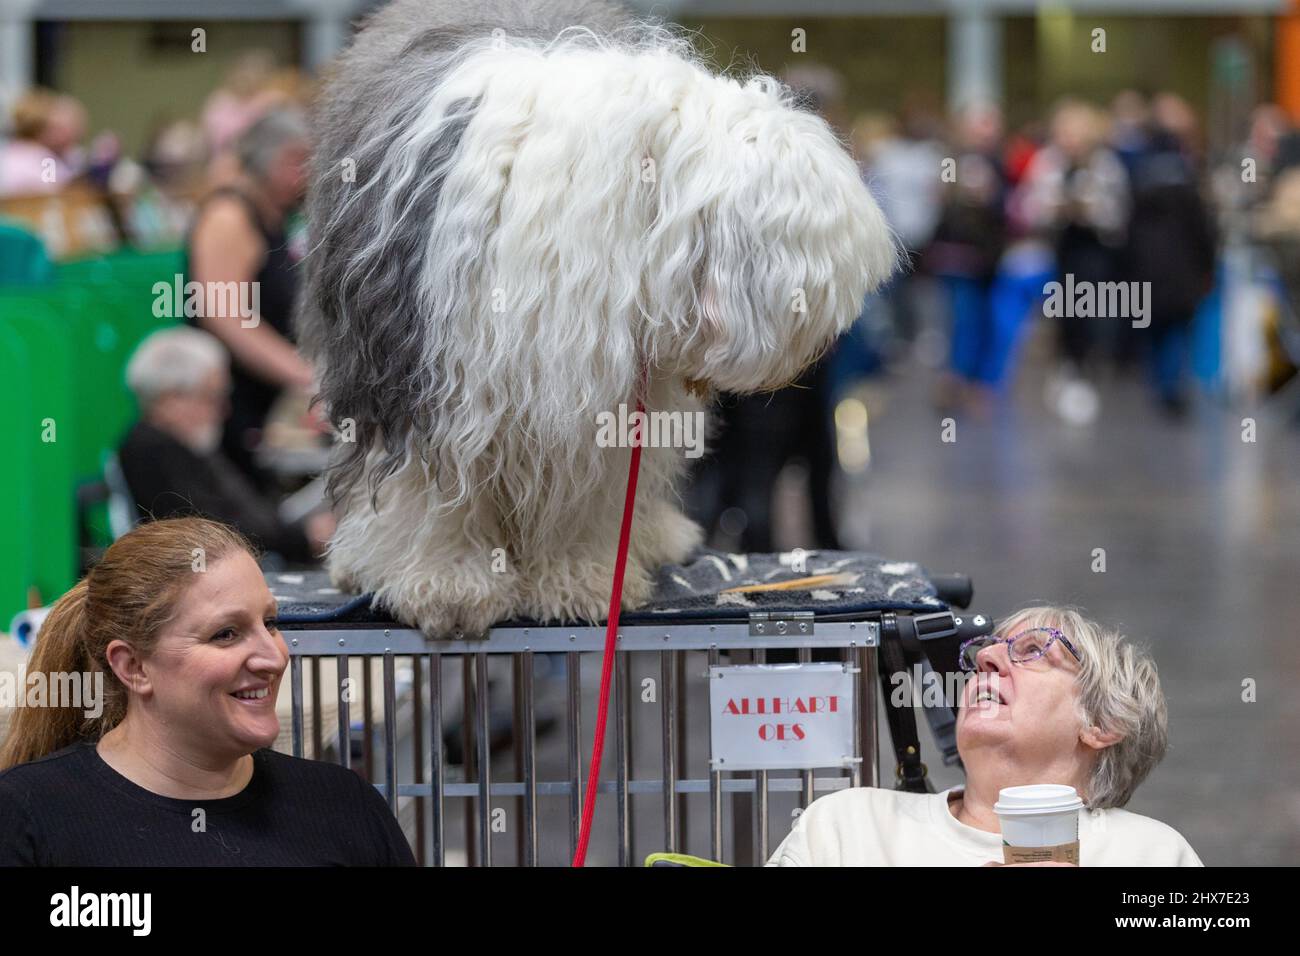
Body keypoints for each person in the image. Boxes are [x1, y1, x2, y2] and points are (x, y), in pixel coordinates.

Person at [0, 517, 413, 866]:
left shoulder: (344, 806)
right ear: (133, 666)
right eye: (226, 634)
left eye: (269, 623)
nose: (273, 657)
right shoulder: (30, 818)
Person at [767, 606, 1202, 866]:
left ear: (1103, 724)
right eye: (985, 652)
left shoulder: (1151, 854)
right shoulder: (847, 826)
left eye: (1034, 650)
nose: (988, 656)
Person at [117, 327, 334, 563]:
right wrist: (304, 538)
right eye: (211, 397)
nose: (223, 410)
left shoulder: (184, 445)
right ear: (172, 399)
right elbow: (212, 530)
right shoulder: (155, 450)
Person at [184, 107, 317, 493]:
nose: (308, 173)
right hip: (229, 406)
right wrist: (304, 375)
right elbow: (224, 315)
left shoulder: (275, 218)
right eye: (298, 161)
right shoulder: (229, 216)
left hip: (260, 400)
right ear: (272, 161)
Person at [0, 88, 86, 197]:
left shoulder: (10, 151)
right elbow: (54, 191)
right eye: (55, 128)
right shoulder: (43, 158)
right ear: (41, 130)